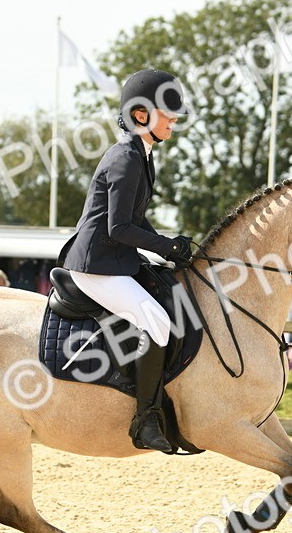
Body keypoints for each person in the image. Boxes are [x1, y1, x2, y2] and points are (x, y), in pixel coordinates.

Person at [57, 68, 194, 454]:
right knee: (156, 320)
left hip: (116, 259)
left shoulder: (142, 155)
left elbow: (136, 220)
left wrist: (171, 247)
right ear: (140, 115)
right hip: (95, 264)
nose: (174, 119)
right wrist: (165, 248)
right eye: (167, 113)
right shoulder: (126, 158)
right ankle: (145, 420)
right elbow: (118, 227)